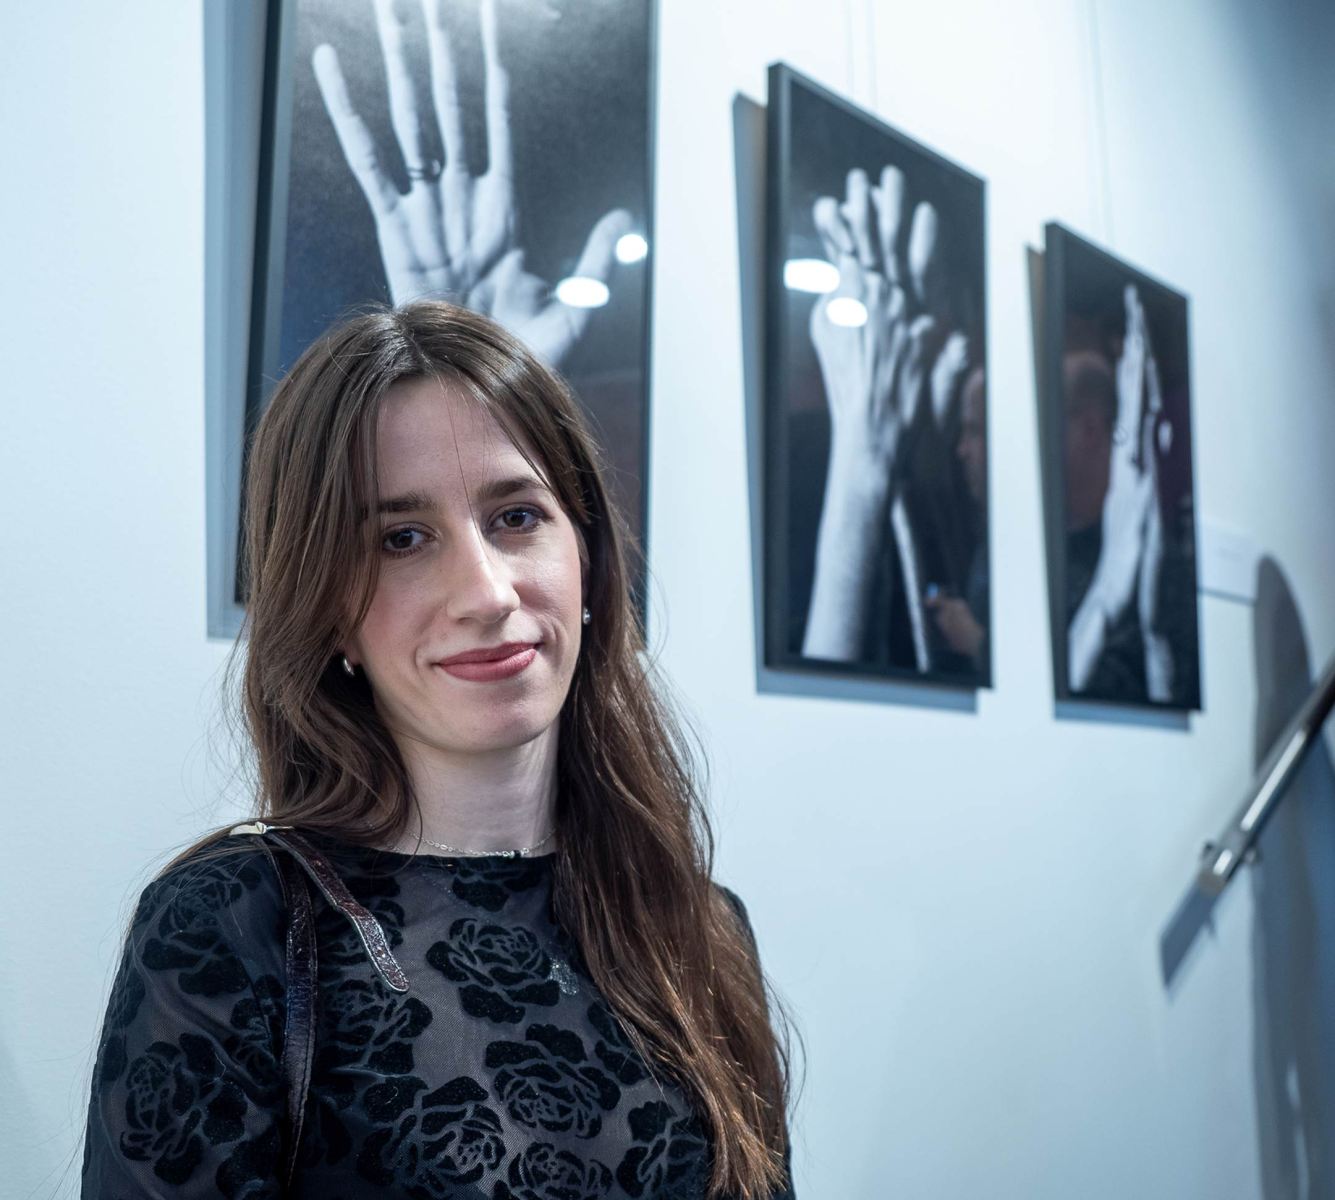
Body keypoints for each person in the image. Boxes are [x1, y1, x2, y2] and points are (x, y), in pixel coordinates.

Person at [79, 302, 798, 1198]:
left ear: (590, 561)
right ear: (327, 608)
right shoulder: (232, 925)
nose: (486, 593)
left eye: (516, 516)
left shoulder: (698, 924)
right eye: (402, 539)